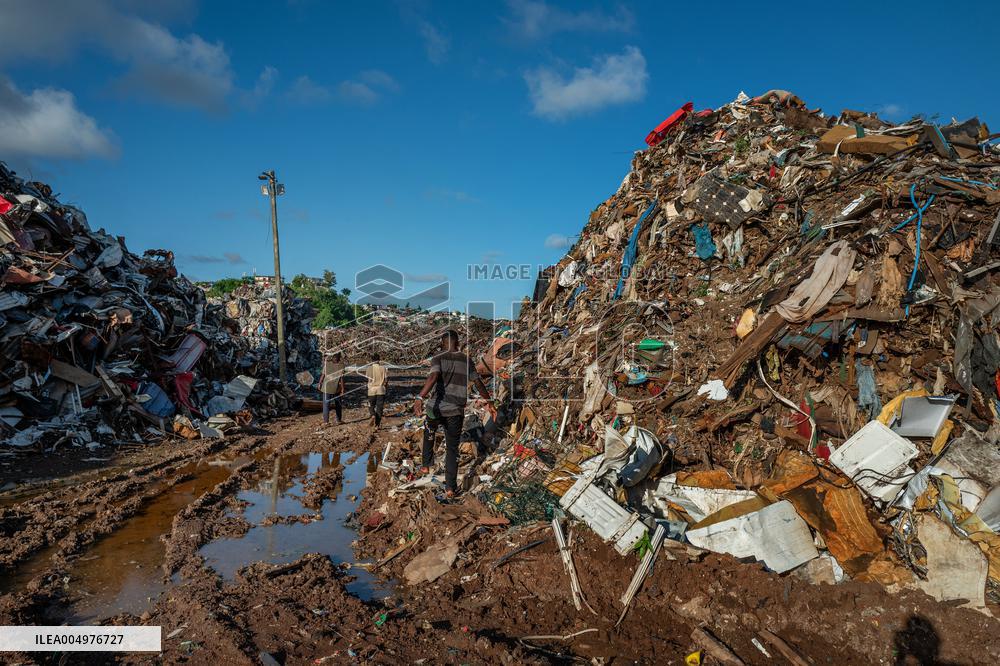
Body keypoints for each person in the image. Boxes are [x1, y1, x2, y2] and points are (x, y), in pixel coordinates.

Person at [414, 329, 493, 497]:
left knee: (429, 431)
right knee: (452, 449)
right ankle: (450, 487)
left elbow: (433, 377)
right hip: (455, 412)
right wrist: (490, 402)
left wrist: (420, 397)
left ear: (442, 344)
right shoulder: (466, 360)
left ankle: (426, 465)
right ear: (458, 343)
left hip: (435, 408)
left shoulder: (438, 357)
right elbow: (478, 383)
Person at [320, 351, 345, 425]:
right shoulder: (341, 366)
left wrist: (320, 383)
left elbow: (323, 375)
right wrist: (343, 389)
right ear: (339, 358)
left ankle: (326, 422)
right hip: (336, 388)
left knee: (326, 405)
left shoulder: (327, 364)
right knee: (338, 404)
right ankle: (338, 420)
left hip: (326, 387)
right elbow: (341, 379)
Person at [366, 352, 387, 429]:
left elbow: (368, 379)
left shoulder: (369, 368)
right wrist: (385, 388)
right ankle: (377, 425)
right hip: (381, 390)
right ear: (379, 360)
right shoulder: (383, 368)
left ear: (372, 360)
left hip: (371, 390)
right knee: (379, 408)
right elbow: (386, 380)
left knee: (371, 405)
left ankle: (372, 415)